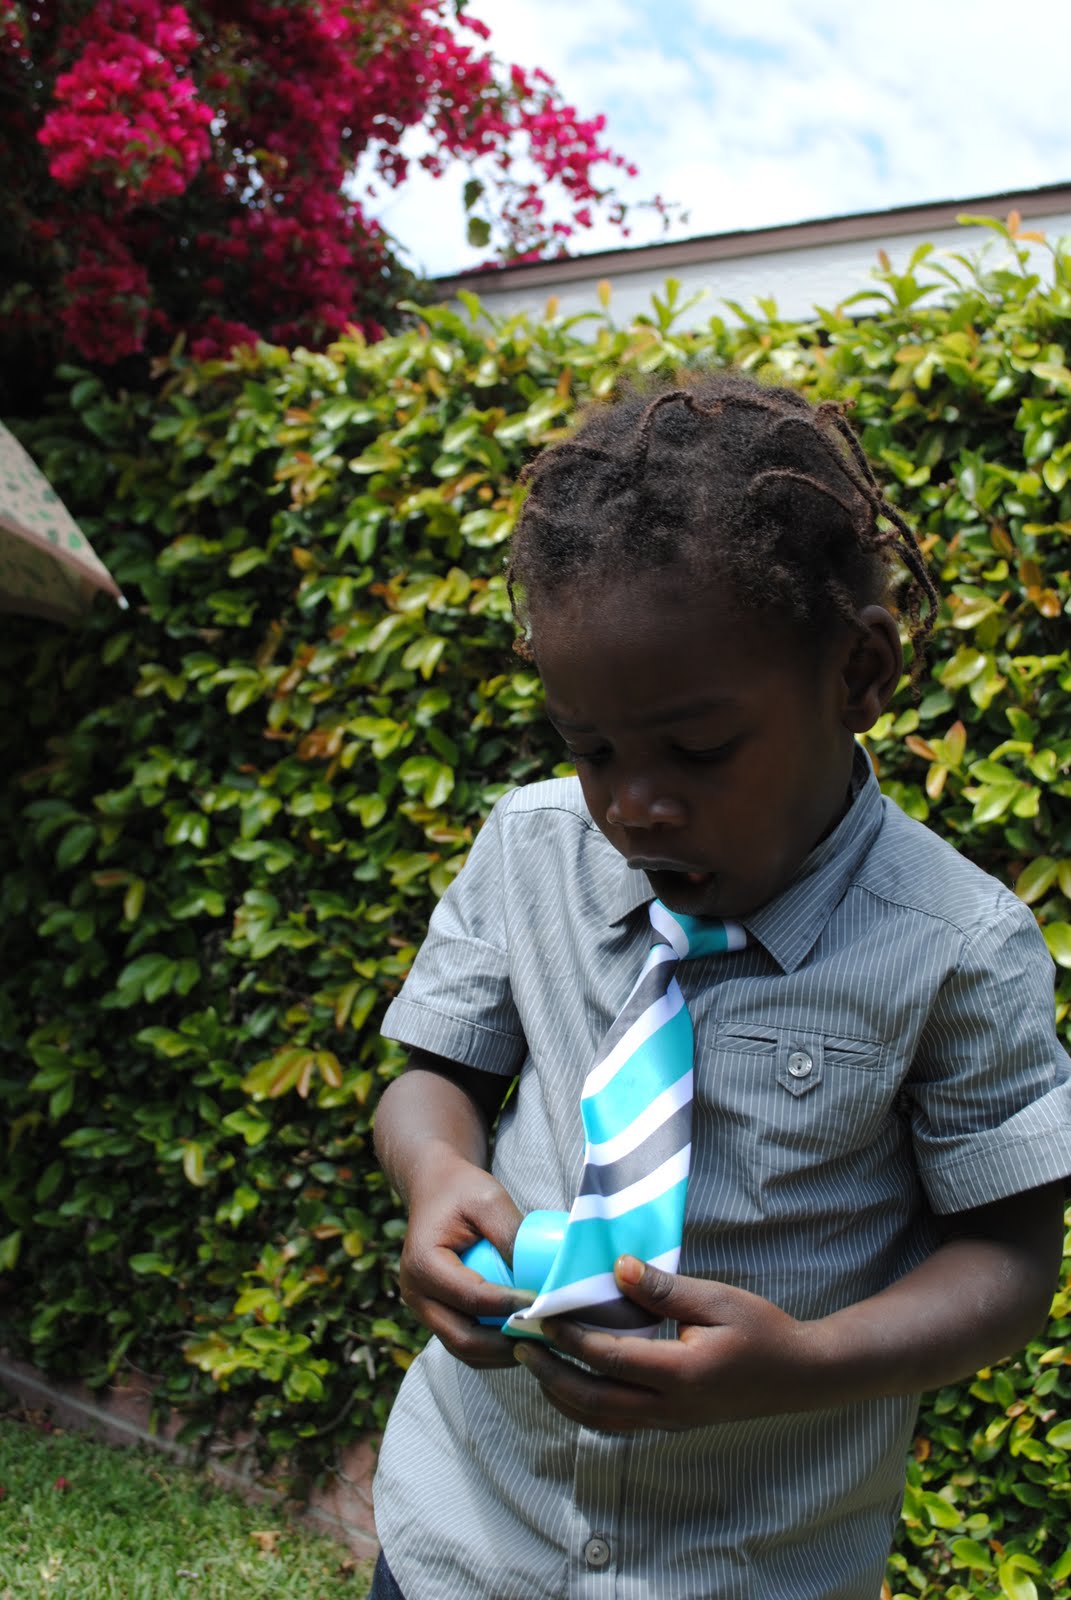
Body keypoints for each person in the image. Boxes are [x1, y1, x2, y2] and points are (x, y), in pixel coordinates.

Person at [368, 370, 1071, 1600]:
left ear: (858, 674)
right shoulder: (530, 849)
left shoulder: (959, 947)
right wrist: (436, 1173)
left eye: (698, 749)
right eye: (591, 749)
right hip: (467, 1537)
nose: (634, 805)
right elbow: (436, 1078)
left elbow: (1010, 1258)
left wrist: (807, 1361)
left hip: (750, 1568)